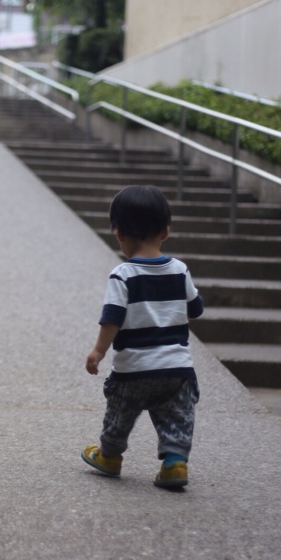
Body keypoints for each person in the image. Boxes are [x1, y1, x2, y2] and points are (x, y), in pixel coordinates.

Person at [82, 185, 204, 488]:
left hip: (133, 369)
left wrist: (98, 351)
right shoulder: (180, 270)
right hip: (176, 368)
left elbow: (112, 318)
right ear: (165, 231)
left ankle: (109, 455)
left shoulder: (122, 274)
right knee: (177, 417)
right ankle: (175, 463)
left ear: (120, 233)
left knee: (120, 414)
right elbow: (195, 309)